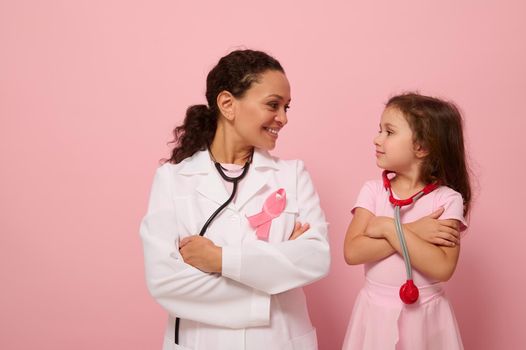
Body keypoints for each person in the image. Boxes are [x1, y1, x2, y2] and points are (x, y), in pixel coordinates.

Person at [140, 49, 330, 350]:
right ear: (228, 104)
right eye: (273, 105)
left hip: (278, 341)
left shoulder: (292, 175)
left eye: (287, 107)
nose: (283, 118)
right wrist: (273, 279)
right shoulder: (173, 179)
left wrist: (218, 259)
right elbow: (165, 282)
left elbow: (315, 259)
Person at [342, 93, 472, 349]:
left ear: (421, 147)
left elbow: (442, 268)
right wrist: (413, 230)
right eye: (379, 130)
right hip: (374, 313)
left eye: (389, 132)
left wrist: (388, 227)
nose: (377, 139)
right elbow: (353, 252)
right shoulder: (372, 191)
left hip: (425, 318)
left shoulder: (447, 201)